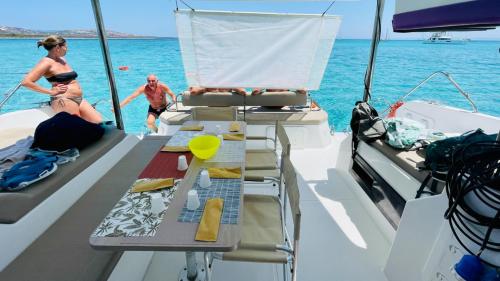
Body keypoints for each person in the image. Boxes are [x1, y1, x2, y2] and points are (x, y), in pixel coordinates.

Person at [22, 35, 102, 123]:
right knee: (76, 127)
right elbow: (26, 82)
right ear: (57, 47)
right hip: (63, 100)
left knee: (98, 122)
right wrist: (51, 92)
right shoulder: (46, 62)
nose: (67, 49)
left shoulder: (62, 60)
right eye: (66, 47)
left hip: (79, 98)